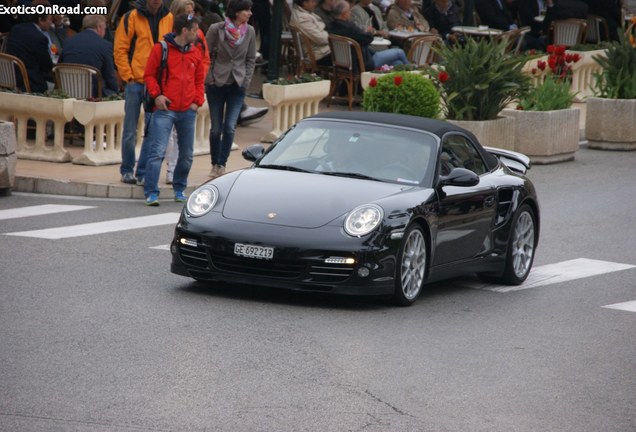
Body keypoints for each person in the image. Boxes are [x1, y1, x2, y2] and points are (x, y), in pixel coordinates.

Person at [142, 14, 205, 206]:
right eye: (194, 29)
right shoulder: (160, 49)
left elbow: (200, 80)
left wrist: (197, 102)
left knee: (186, 154)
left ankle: (179, 188)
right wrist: (157, 95)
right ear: (184, 30)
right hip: (165, 108)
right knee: (157, 151)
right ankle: (151, 192)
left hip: (187, 110)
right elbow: (149, 75)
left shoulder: (196, 52)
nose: (197, 33)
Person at [113, 0, 173, 185]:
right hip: (136, 81)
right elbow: (120, 48)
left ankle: (142, 171)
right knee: (130, 129)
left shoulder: (168, 17)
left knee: (152, 130)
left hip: (156, 82)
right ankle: (127, 170)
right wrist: (128, 76)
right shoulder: (131, 17)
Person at [205, 0, 256, 178]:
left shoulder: (249, 31)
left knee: (230, 127)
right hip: (216, 84)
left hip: (237, 84)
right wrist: (209, 78)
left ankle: (222, 163)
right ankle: (214, 163)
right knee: (216, 128)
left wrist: (246, 81)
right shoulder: (215, 29)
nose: (249, 13)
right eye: (246, 10)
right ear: (236, 12)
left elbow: (250, 59)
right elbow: (205, 55)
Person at [162, 0, 211, 185]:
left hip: (189, 92)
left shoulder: (197, 33)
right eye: (187, 12)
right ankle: (167, 168)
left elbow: (204, 59)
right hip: (169, 93)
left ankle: (172, 171)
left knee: (180, 140)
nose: (191, 15)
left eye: (192, 12)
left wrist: (197, 85)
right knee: (165, 138)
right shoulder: (167, 31)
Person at [327, 0, 410, 70]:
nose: (350, 13)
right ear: (344, 14)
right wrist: (369, 32)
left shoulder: (331, 26)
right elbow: (368, 39)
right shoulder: (349, 27)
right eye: (349, 11)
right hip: (363, 62)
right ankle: (414, 73)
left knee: (397, 63)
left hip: (345, 64)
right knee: (400, 52)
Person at [59, 15, 119, 97]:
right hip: (94, 94)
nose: (105, 32)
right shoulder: (105, 45)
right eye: (105, 29)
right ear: (99, 27)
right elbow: (109, 76)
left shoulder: (68, 42)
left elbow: (60, 66)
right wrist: (116, 91)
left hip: (68, 92)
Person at [6, 0, 54, 93]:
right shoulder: (39, 38)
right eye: (50, 19)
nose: (51, 23)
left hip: (10, 79)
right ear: (40, 19)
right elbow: (47, 67)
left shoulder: (15, 29)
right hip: (30, 83)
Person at [290, 0, 332, 67]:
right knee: (349, 53)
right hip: (319, 55)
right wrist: (331, 35)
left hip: (321, 50)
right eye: (313, 1)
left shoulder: (302, 12)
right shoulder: (303, 19)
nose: (315, 3)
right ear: (305, 3)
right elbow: (321, 39)